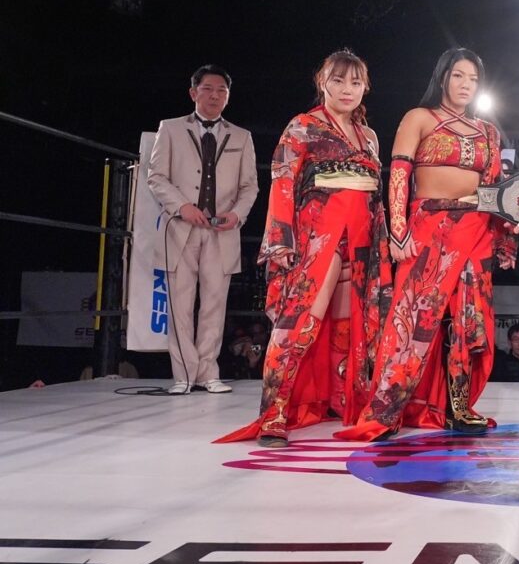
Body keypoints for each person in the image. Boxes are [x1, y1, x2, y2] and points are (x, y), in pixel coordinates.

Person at [337, 48, 516, 440]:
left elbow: (495, 188)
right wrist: (399, 230)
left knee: (467, 318)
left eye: (473, 79)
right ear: (443, 77)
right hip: (428, 229)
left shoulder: (488, 131)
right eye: (458, 76)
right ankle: (388, 409)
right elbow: (399, 175)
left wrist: (508, 234)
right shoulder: (419, 117)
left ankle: (457, 407)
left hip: (476, 229)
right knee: (413, 316)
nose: (466, 84)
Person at [216, 49, 391, 447]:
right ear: (322, 83)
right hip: (319, 234)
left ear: (365, 88)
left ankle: (341, 398)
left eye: (356, 82)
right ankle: (274, 411)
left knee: (348, 321)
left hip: (362, 236)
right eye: (338, 80)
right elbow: (282, 181)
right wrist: (281, 240)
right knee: (300, 320)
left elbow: (376, 195)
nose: (347, 89)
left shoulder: (369, 136)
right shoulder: (303, 126)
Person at [146, 64, 259, 394]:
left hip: (222, 231)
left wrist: (236, 215)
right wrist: (182, 206)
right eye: (208, 89)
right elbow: (156, 176)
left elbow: (250, 186)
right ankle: (183, 375)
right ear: (193, 92)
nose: (215, 95)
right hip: (181, 227)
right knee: (180, 303)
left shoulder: (241, 136)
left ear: (228, 97)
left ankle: (208, 372)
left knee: (215, 303)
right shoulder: (170, 128)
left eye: (222, 90)